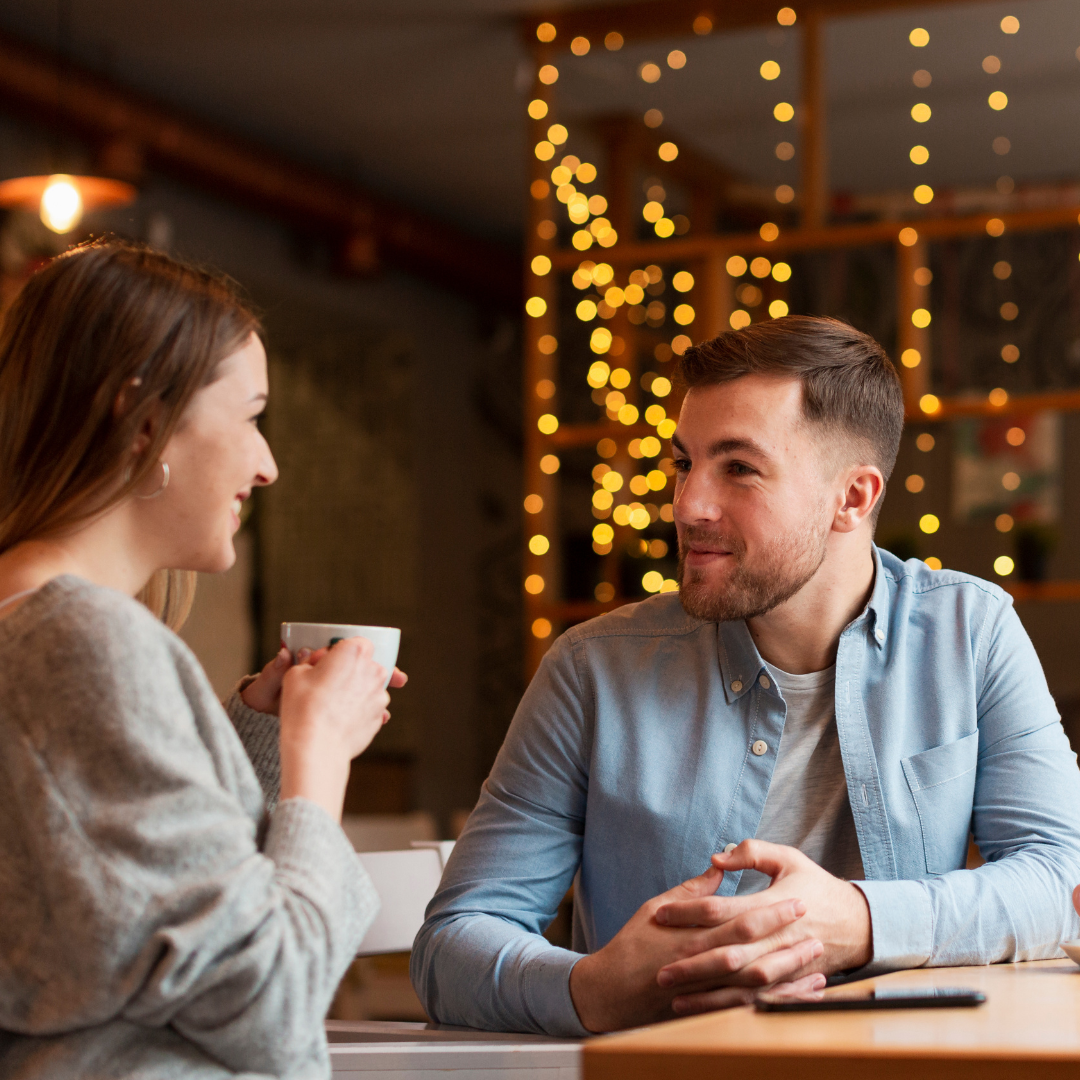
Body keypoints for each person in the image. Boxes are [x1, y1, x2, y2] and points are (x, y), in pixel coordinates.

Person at [412, 315, 1080, 1035]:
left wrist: (858, 920)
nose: (689, 505)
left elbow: (1059, 877)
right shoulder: (591, 670)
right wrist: (590, 988)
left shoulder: (970, 633)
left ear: (852, 498)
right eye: (684, 463)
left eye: (739, 468)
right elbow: (451, 945)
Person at [0, 239, 405, 1079]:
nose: (267, 465)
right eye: (253, 416)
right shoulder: (84, 642)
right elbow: (271, 1001)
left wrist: (256, 731)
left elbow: (132, 905)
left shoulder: (34, 628)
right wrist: (315, 760)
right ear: (144, 421)